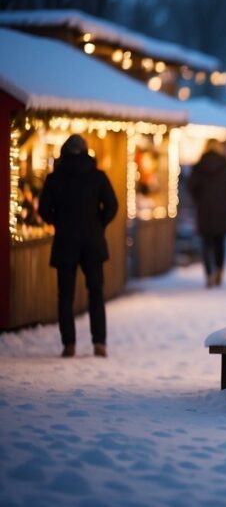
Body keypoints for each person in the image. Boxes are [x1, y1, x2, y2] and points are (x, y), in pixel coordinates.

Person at [37, 134, 118, 358]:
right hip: (92, 243)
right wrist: (98, 223)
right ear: (85, 152)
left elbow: (43, 210)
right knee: (96, 292)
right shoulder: (98, 177)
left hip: (65, 242)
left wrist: (58, 222)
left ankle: (69, 344)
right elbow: (112, 205)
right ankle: (99, 342)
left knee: (65, 296)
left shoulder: (54, 179)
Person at [188, 139, 226, 288]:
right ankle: (219, 271)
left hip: (204, 210)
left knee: (206, 243)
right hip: (222, 210)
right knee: (220, 242)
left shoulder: (198, 167)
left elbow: (192, 188)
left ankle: (209, 273)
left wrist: (199, 201)